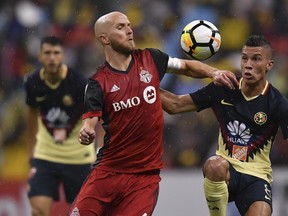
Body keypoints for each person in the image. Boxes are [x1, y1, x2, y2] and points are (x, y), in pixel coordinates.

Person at [68, 11, 238, 216]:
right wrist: (86, 131)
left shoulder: (150, 58)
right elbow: (90, 120)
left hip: (144, 179)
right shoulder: (98, 83)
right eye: (120, 27)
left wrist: (214, 72)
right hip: (107, 173)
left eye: (129, 25)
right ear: (104, 38)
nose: (129, 30)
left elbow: (185, 67)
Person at [160, 35, 288, 216]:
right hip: (227, 171)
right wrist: (145, 85)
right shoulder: (224, 87)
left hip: (257, 177)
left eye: (256, 59)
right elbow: (175, 105)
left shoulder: (277, 103)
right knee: (214, 165)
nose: (248, 64)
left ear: (269, 65)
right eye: (245, 58)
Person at [23, 36, 96, 216]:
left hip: (79, 157)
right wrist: (31, 149)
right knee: (38, 210)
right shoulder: (32, 82)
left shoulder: (79, 83)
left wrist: (99, 148)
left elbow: (95, 114)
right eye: (47, 53)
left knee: (85, 212)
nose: (52, 57)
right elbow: (32, 113)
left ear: (63, 56)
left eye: (56, 53)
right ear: (40, 57)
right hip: (46, 156)